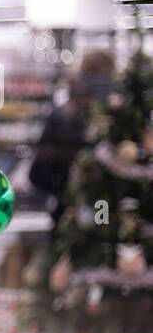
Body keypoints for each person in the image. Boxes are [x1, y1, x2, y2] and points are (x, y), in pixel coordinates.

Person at [31, 50, 115, 225]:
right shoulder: (121, 118)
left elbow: (38, 174)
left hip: (69, 214)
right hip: (112, 215)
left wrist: (63, 189)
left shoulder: (61, 115)